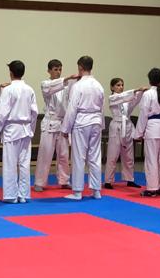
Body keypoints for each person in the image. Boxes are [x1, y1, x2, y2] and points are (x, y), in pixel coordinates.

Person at [0, 60, 38, 204]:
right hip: (26, 129)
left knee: (10, 163)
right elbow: (34, 112)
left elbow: (1, 113)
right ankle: (23, 195)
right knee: (24, 163)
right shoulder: (29, 89)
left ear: (10, 73)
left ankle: (11, 195)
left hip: (12, 129)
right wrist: (31, 130)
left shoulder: (8, 90)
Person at [60, 55, 105, 201]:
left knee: (79, 157)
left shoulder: (78, 86)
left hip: (82, 122)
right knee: (95, 156)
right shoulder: (98, 85)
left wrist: (65, 129)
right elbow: (102, 107)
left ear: (80, 67)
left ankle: (78, 191)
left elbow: (72, 108)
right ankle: (96, 190)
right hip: (96, 121)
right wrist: (102, 124)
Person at [34, 59, 73, 192]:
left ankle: (64, 180)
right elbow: (52, 87)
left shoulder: (66, 86)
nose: (58, 72)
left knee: (64, 154)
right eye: (55, 69)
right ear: (49, 71)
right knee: (45, 154)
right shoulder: (45, 84)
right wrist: (66, 79)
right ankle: (39, 182)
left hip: (62, 123)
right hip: (50, 123)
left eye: (60, 69)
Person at [134, 67, 160, 197]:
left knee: (151, 159)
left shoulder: (148, 94)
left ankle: (152, 188)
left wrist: (138, 133)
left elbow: (143, 114)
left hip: (152, 127)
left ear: (150, 80)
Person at [103, 78, 145, 188]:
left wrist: (141, 92)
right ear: (112, 87)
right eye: (118, 85)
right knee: (113, 154)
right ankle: (108, 181)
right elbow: (122, 97)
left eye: (122, 85)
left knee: (129, 155)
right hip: (116, 126)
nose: (121, 87)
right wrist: (136, 90)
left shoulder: (127, 99)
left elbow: (134, 100)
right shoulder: (112, 98)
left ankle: (129, 179)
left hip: (127, 126)